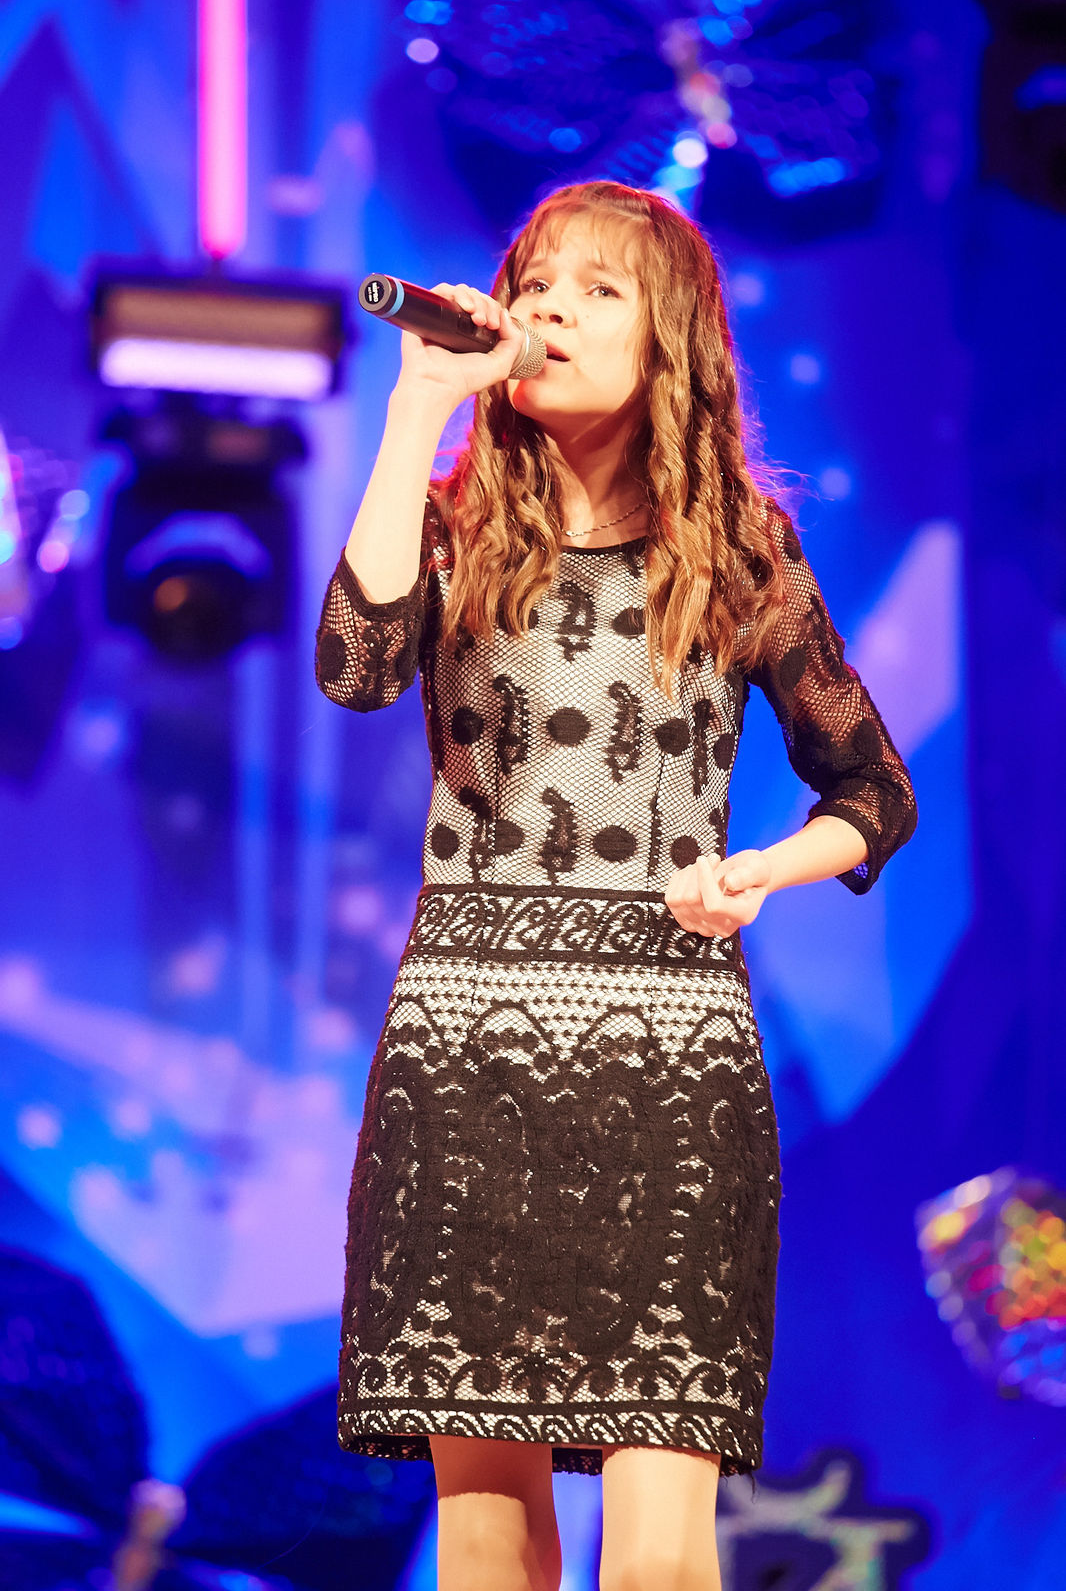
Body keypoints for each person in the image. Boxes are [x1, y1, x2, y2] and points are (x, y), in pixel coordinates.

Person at [315, 180, 916, 1591]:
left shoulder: (741, 551)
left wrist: (761, 871)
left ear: (671, 344)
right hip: (468, 1059)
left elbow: (873, 792)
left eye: (596, 291)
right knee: (484, 1535)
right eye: (534, 284)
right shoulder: (450, 529)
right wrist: (416, 410)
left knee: (654, 1552)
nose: (549, 313)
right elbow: (355, 668)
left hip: (666, 1068)